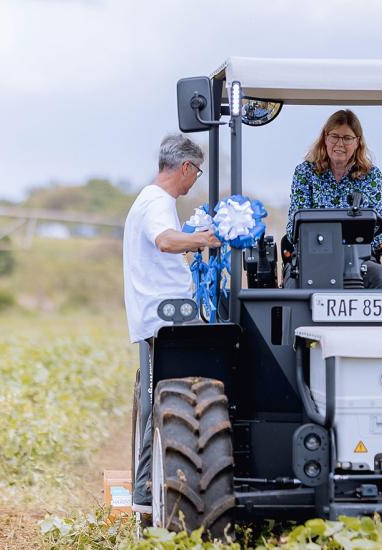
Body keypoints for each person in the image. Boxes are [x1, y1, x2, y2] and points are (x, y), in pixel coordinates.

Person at [123, 133, 220, 515]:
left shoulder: (150, 200)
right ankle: (147, 491)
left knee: (158, 401)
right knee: (163, 402)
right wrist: (203, 240)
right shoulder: (157, 202)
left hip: (162, 316)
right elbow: (165, 241)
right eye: (196, 171)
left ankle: (146, 489)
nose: (195, 178)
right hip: (165, 320)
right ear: (184, 167)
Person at [285, 109, 382, 288]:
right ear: (325, 138)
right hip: (314, 258)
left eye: (347, 138)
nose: (340, 143)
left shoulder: (371, 176)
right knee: (292, 281)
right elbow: (294, 227)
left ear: (357, 142)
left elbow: (376, 229)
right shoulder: (305, 172)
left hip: (359, 260)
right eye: (334, 136)